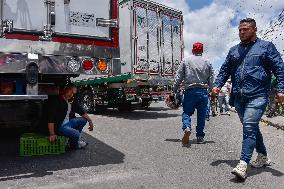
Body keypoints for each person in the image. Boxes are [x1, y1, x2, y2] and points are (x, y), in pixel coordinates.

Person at [212, 18, 284, 180]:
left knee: (249, 126)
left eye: (245, 29)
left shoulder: (266, 47)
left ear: (254, 30)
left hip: (258, 95)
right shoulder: (233, 51)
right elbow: (224, 71)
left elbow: (280, 69)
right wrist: (217, 86)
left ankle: (243, 163)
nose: (241, 32)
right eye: (239, 30)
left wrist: (281, 89)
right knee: (251, 127)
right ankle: (263, 156)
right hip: (238, 97)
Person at [173, 42, 214, 144]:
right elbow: (212, 78)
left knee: (187, 112)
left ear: (193, 50)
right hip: (203, 92)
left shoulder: (186, 60)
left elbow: (179, 77)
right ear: (202, 50)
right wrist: (212, 90)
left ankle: (187, 127)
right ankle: (200, 136)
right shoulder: (207, 62)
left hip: (190, 91)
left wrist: (174, 89)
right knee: (201, 115)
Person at [44, 83, 94, 149]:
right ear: (66, 89)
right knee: (76, 134)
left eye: (73, 93)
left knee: (83, 120)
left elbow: (81, 111)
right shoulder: (57, 100)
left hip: (68, 123)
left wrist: (90, 121)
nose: (71, 95)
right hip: (60, 126)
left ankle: (72, 141)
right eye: (70, 91)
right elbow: (51, 118)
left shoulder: (71, 101)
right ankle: (74, 145)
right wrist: (52, 134)